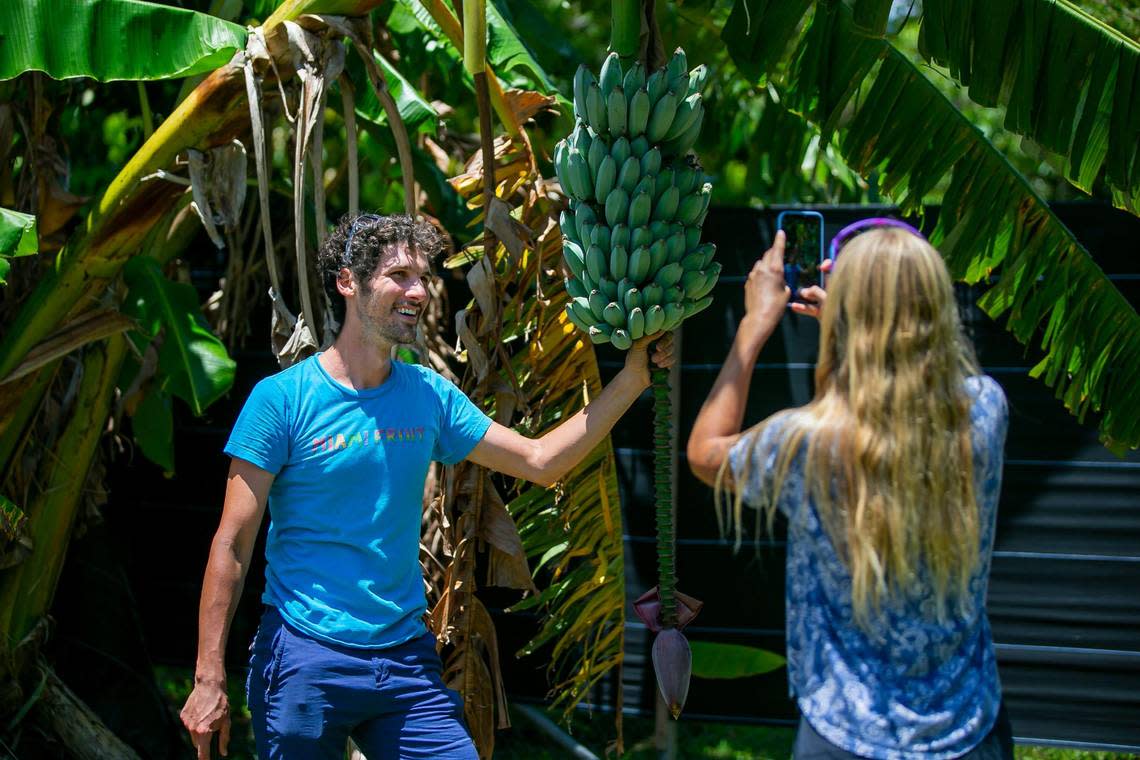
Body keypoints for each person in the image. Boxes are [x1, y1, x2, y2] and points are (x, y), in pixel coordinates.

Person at [179, 213, 674, 759]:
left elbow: (539, 460)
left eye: (423, 277)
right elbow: (231, 544)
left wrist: (633, 379)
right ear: (349, 282)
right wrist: (208, 679)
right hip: (304, 657)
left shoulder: (428, 396)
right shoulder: (281, 400)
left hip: (403, 662)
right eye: (399, 275)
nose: (418, 290)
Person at [686, 225, 1013, 759]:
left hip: (844, 735)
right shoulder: (984, 411)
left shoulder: (806, 445)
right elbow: (901, 412)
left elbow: (705, 452)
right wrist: (856, 325)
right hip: (969, 729)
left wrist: (754, 325)